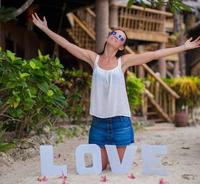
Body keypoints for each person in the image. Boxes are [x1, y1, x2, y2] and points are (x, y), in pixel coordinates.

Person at [32, 13, 200, 170]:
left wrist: (183, 47)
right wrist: (45, 29)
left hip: (120, 122)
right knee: (100, 167)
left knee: (119, 167)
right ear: (107, 38)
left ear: (121, 47)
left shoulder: (124, 62)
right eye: (114, 34)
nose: (116, 37)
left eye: (121, 38)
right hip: (98, 123)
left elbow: (155, 54)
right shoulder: (93, 59)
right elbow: (68, 45)